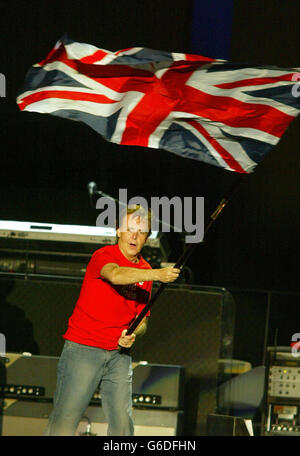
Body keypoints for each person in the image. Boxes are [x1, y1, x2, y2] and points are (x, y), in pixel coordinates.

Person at [44, 205, 180, 436]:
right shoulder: (104, 256)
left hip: (119, 356)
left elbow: (142, 320)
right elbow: (116, 275)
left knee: (122, 425)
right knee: (64, 422)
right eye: (129, 229)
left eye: (141, 231)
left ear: (147, 237)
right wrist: (158, 274)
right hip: (84, 349)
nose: (134, 236)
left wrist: (134, 333)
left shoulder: (145, 270)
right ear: (118, 230)